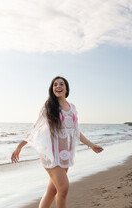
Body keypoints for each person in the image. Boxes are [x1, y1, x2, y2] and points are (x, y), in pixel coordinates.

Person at [11, 76, 103, 208]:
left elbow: (75, 131)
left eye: (61, 84)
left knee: (52, 190)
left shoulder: (72, 108)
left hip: (65, 154)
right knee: (63, 188)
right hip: (51, 155)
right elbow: (34, 128)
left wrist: (91, 145)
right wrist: (19, 147)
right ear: (52, 89)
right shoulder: (48, 107)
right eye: (55, 84)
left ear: (66, 88)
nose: (58, 86)